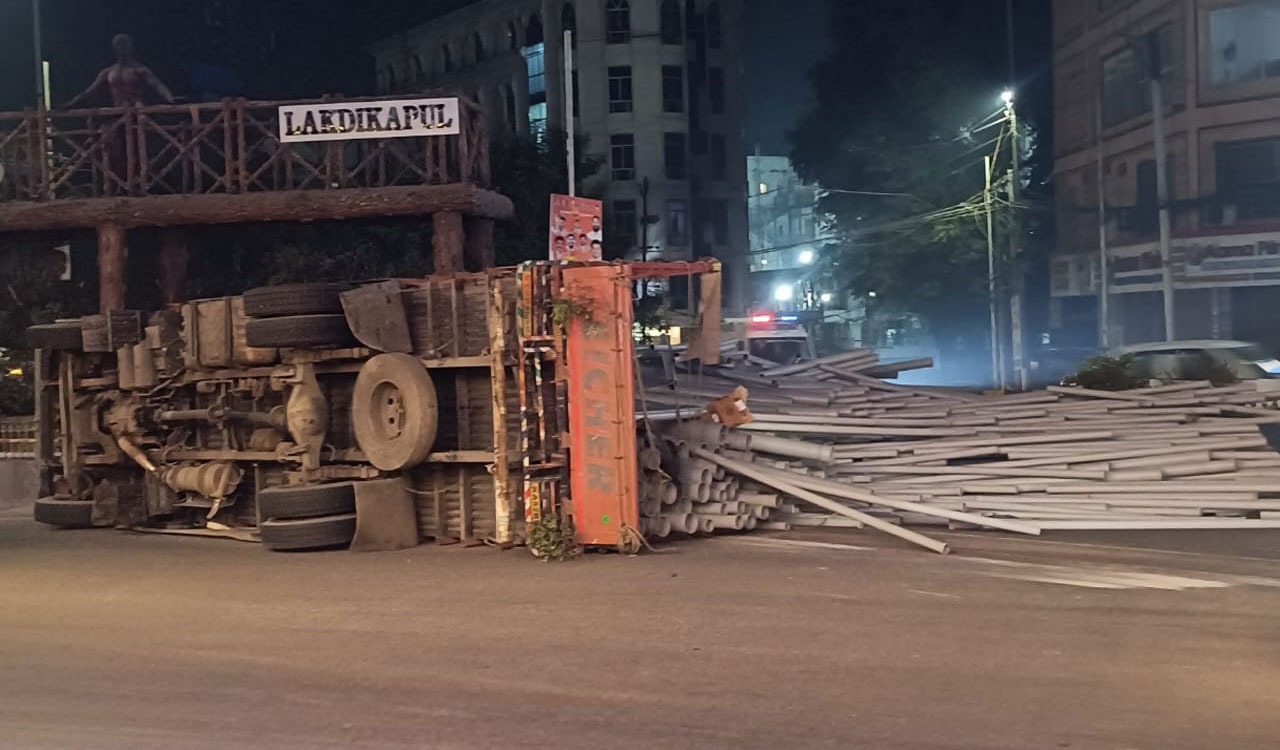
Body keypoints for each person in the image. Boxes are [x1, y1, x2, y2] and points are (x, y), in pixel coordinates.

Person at [67, 34, 175, 108]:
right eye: (119, 44)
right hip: (117, 110)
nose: (122, 47)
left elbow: (158, 85)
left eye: (125, 44)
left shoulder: (140, 70)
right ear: (114, 47)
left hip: (137, 110)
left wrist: (171, 99)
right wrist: (71, 103)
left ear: (130, 46)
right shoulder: (108, 72)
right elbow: (90, 91)